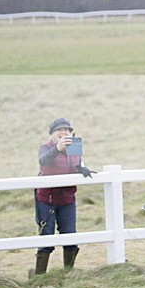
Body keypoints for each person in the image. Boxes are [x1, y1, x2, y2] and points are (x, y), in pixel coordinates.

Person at [30, 117, 94, 277]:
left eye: (67, 130)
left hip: (67, 200)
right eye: (60, 130)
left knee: (70, 236)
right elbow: (43, 161)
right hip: (46, 200)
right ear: (52, 133)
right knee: (46, 238)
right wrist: (58, 148)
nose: (64, 132)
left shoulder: (74, 146)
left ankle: (68, 274)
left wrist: (83, 169)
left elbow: (77, 164)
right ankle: (39, 276)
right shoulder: (46, 147)